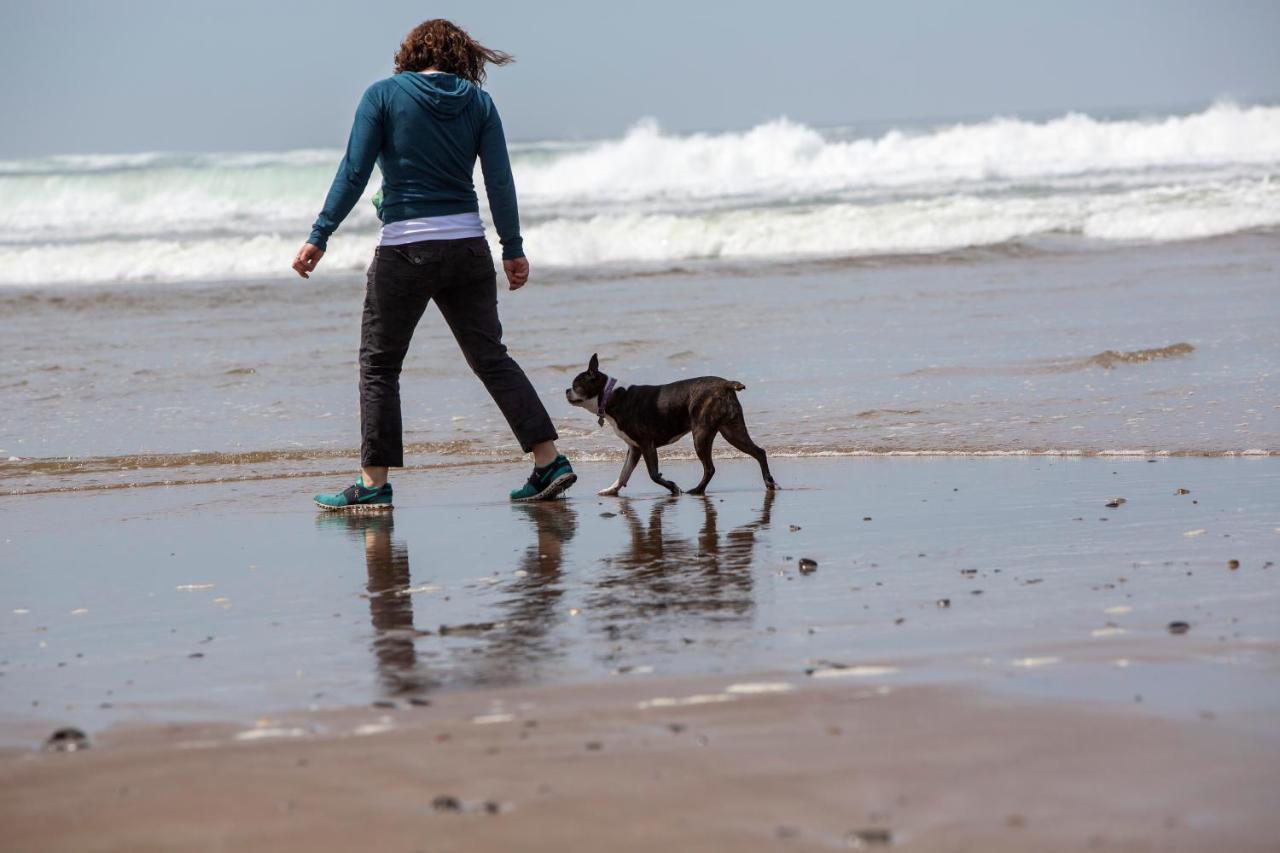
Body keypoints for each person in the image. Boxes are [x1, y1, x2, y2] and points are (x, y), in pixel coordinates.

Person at [293, 19, 575, 510]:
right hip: (468, 249)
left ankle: (373, 484)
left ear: (410, 53)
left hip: (405, 249)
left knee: (380, 365)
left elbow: (355, 171)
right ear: (462, 57)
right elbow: (499, 180)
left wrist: (320, 235)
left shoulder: (381, 95)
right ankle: (549, 460)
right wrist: (512, 247)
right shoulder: (479, 102)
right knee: (491, 358)